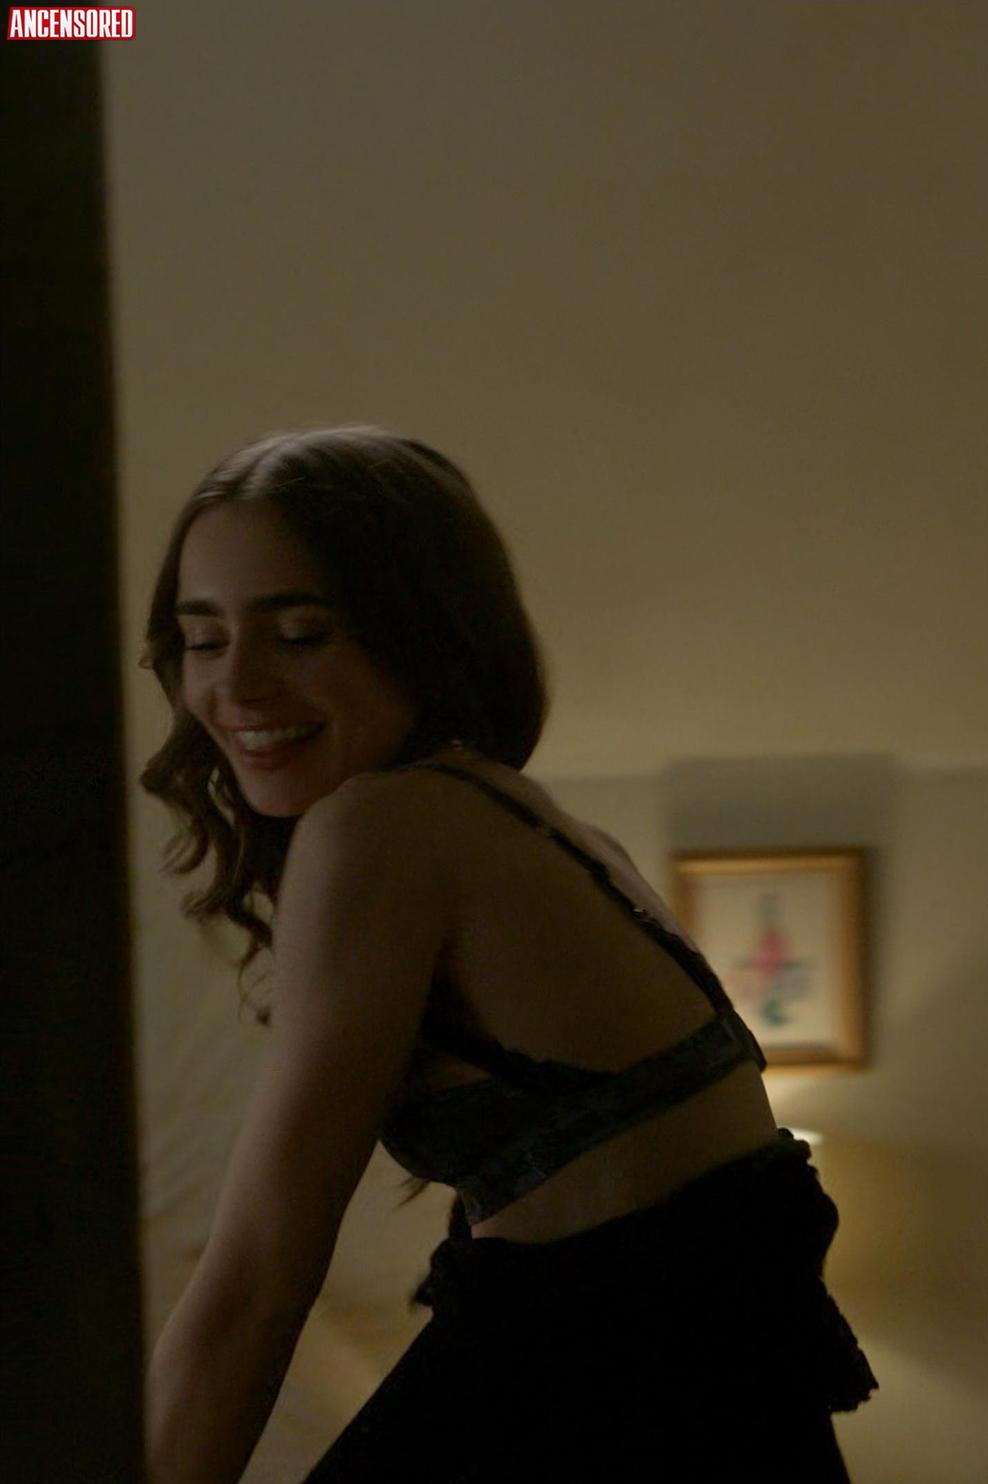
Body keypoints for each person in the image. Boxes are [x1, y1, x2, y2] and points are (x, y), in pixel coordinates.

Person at [140, 426, 875, 1483]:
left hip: (610, 1410)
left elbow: (258, 1276)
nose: (237, 684)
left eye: (299, 633)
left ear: (425, 633)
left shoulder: (382, 829)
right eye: (201, 640)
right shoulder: (542, 824)